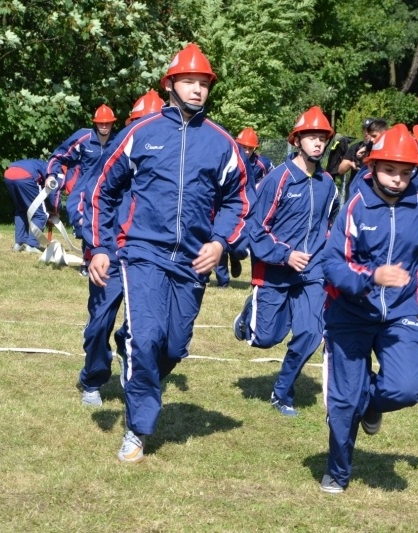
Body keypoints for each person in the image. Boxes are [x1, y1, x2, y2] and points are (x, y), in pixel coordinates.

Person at [85, 43, 250, 463]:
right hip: (142, 253)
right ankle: (138, 429)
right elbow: (104, 190)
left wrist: (219, 243)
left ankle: (135, 353)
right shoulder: (141, 134)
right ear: (171, 84)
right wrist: (101, 247)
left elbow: (237, 201)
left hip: (194, 261)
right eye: (189, 81)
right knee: (149, 339)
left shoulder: (222, 144)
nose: (197, 89)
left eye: (204, 83)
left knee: (174, 347)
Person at [319, 124, 418, 494]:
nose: (398, 180)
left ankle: (372, 404)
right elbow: (334, 264)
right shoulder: (355, 204)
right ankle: (338, 470)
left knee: (407, 388)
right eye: (389, 171)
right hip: (349, 313)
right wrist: (371, 276)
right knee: (344, 401)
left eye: (405, 172)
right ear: (373, 166)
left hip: (400, 313)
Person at [232, 106, 339, 417]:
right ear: (297, 141)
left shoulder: (328, 183)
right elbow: (256, 228)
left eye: (323, 138)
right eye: (312, 137)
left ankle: (282, 393)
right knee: (265, 338)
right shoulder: (277, 179)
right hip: (276, 269)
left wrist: (328, 253)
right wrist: (286, 255)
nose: (318, 144)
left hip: (313, 271)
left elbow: (330, 223)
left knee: (310, 334)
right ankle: (248, 316)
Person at [70, 94, 165, 408]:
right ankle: (93, 379)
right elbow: (84, 201)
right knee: (99, 322)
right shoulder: (109, 159)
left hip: (146, 257)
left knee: (145, 325)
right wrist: (95, 245)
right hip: (107, 254)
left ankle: (130, 361)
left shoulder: (164, 170)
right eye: (141, 124)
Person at [46, 103, 121, 276]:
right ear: (95, 123)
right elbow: (59, 156)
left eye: (107, 123)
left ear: (112, 123)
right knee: (83, 224)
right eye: (100, 123)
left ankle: (96, 262)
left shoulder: (118, 141)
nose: (104, 126)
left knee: (105, 225)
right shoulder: (83, 137)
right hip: (82, 191)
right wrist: (52, 174)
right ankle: (88, 258)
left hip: (106, 191)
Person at [213, 127, 273, 285]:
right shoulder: (227, 158)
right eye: (243, 147)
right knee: (220, 237)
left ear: (255, 149)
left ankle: (236, 255)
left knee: (240, 246)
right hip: (227, 204)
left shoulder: (263, 164)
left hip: (252, 208)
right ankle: (223, 281)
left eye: (249, 148)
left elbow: (272, 182)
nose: (245, 151)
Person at [3, 159, 50, 253]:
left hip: (8, 175)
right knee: (41, 214)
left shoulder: (37, 163)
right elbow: (52, 190)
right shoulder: (51, 169)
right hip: (25, 177)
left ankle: (19, 244)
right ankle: (32, 245)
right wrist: (55, 209)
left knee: (21, 209)